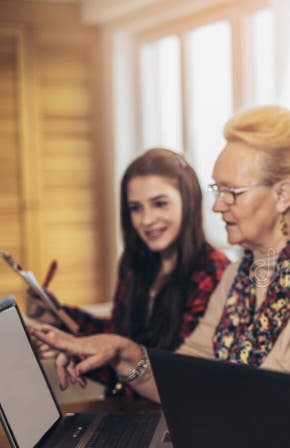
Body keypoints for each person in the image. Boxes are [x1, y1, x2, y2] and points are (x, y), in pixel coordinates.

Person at [33, 106, 290, 402]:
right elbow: (186, 375)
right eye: (217, 190)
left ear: (282, 195)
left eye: (231, 192)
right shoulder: (239, 275)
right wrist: (122, 352)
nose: (218, 205)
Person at [26, 148, 229, 395]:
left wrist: (82, 349)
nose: (146, 220)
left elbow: (178, 377)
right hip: (126, 405)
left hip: (169, 413)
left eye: (159, 204)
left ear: (189, 202)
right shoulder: (134, 263)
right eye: (136, 208)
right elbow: (119, 334)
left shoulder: (214, 274)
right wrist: (59, 317)